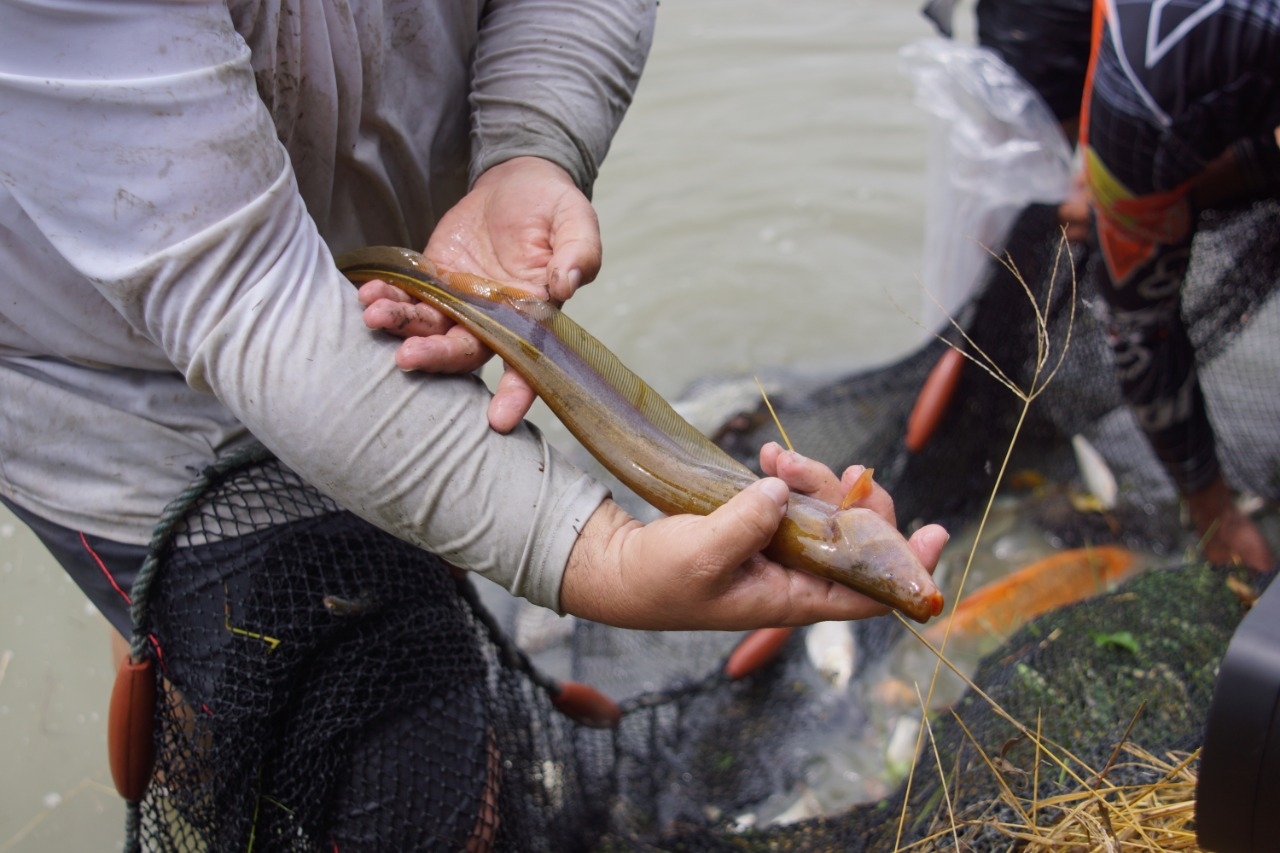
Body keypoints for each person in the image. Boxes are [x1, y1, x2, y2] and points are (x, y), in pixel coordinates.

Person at [0, 2, 946, 844]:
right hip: (133, 398)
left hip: (411, 307)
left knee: (430, 588)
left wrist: (531, 150)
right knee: (292, 731)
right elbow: (247, 298)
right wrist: (597, 558)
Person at [970, 0, 1277, 573]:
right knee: (1060, 201)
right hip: (1085, 33)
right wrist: (1217, 517)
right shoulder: (1158, 88)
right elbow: (1143, 324)